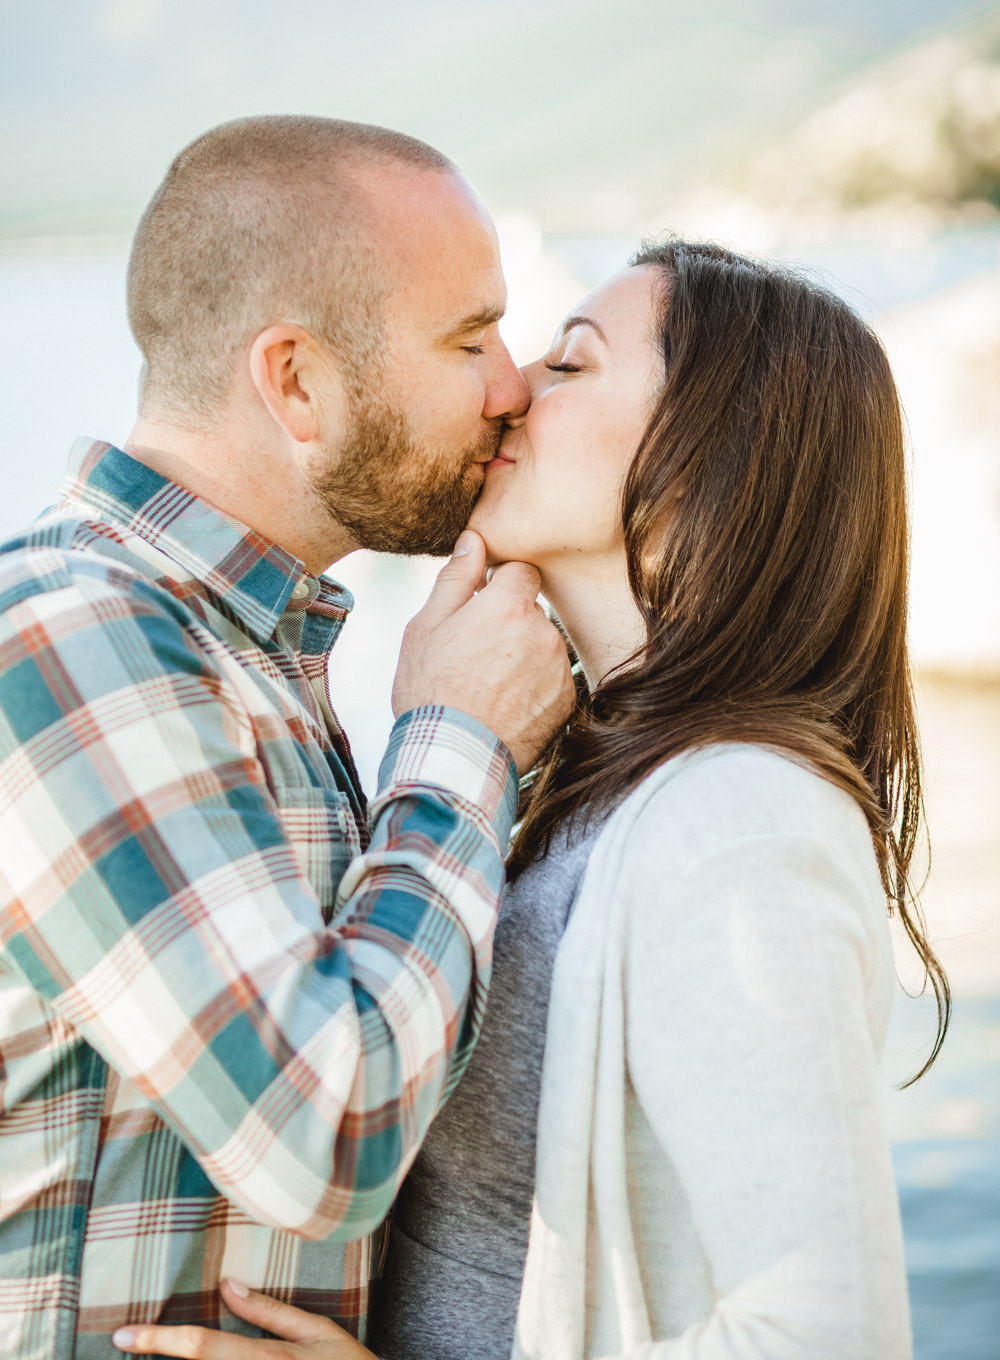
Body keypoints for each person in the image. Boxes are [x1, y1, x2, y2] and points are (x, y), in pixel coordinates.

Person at [124, 240, 951, 1360]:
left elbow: (829, 1335)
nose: (509, 392)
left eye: (571, 365)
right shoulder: (598, 784)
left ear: (713, 452)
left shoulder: (740, 820)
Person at [0, 115, 576, 1360]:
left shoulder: (244, 651)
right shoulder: (66, 636)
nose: (511, 383)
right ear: (296, 380)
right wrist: (460, 736)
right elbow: (324, 1129)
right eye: (469, 338)